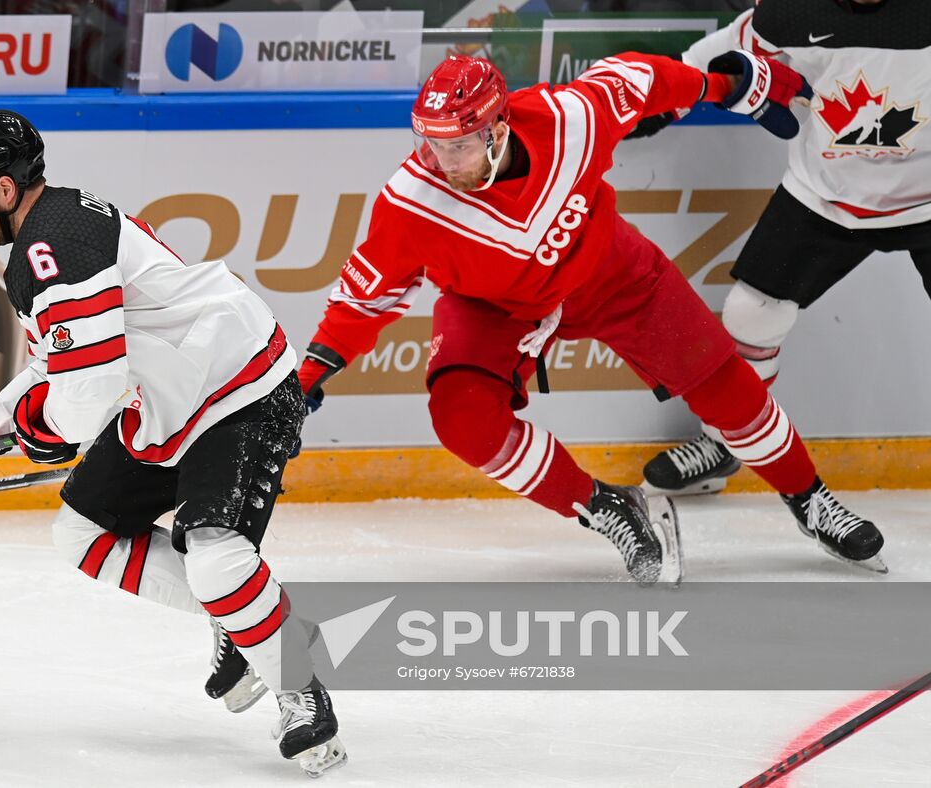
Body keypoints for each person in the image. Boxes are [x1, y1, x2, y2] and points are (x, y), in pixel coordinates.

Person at [297, 49, 888, 581]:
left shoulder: (571, 118)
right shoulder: (410, 202)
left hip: (612, 273)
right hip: (495, 308)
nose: (444, 161)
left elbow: (644, 76)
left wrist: (722, 84)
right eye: (432, 144)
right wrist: (310, 375)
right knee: (462, 420)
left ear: (498, 126)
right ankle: (607, 507)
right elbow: (362, 297)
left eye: (460, 144)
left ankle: (809, 499)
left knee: (728, 390)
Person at [0, 110, 345, 776]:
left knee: (217, 557)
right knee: (83, 533)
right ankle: (251, 620)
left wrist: (33, 433)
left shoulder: (50, 246)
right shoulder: (52, 228)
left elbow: (86, 395)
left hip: (241, 391)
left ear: (3, 188)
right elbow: (63, 365)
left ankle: (297, 681)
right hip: (174, 399)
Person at [635, 0, 931, 509]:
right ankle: (727, 439)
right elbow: (709, 60)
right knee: (752, 317)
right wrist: (657, 102)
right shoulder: (789, 12)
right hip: (824, 194)